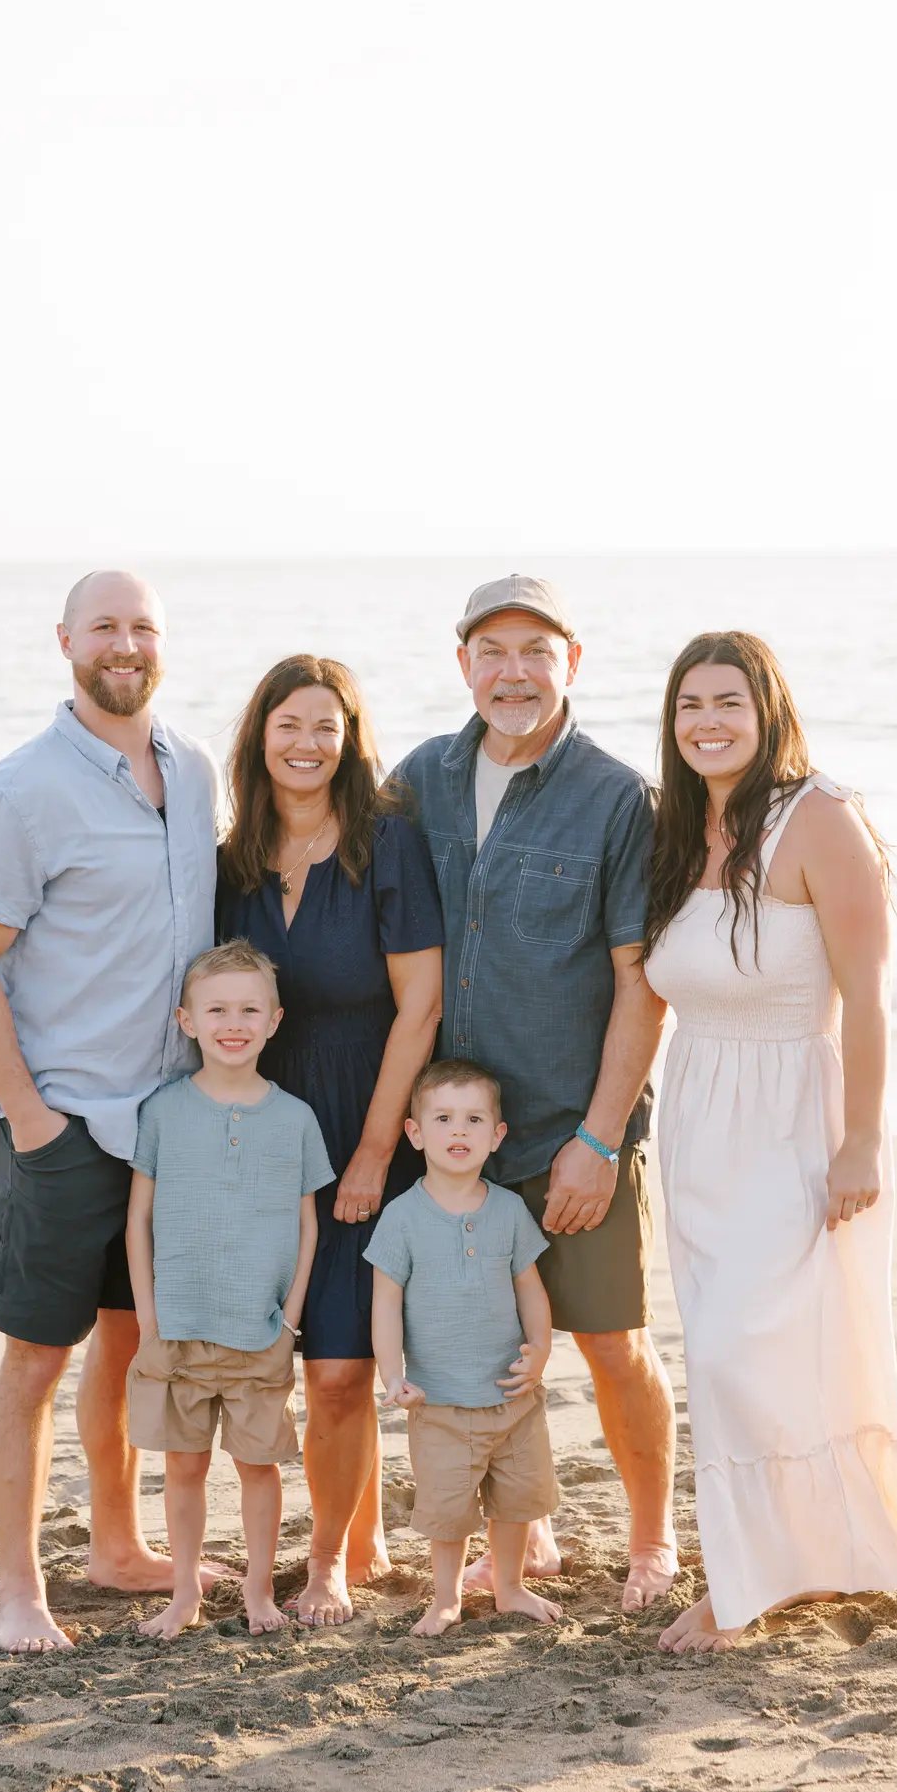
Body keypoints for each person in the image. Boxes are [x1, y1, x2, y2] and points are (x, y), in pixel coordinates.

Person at [641, 631, 897, 1653]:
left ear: (767, 710)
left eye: (727, 702)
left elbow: (867, 996)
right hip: (696, 1118)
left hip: (793, 1114)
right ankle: (781, 1560)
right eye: (688, 703)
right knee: (728, 1351)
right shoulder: (678, 830)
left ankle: (742, 1586)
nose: (706, 720)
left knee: (752, 1347)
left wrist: (862, 1140)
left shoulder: (819, 816)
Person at [0, 571, 219, 1654]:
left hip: (160, 1121)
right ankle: (18, 1587)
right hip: (55, 1119)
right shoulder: (19, 792)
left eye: (143, 624)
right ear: (64, 641)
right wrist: (30, 1117)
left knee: (129, 1336)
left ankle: (115, 1541)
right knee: (35, 1357)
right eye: (104, 624)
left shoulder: (191, 771)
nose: (125, 642)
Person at [394, 575, 679, 1611]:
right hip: (454, 1140)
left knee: (607, 1340)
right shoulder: (417, 778)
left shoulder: (614, 797)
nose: (512, 671)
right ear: (461, 661)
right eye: (491, 650)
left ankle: (652, 1539)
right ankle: (529, 1530)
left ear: (570, 661)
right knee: (479, 1346)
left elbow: (640, 985)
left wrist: (598, 1139)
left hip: (566, 1127)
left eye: (534, 650)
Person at [216, 655, 444, 1626]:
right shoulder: (233, 861)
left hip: (365, 1116)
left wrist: (373, 1148)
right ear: (258, 734)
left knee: (343, 1366)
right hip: (263, 1132)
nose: (306, 744)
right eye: (288, 724)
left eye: (326, 726)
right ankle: (353, 1523)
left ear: (349, 740)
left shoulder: (384, 845)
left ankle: (329, 1566)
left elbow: (420, 1002)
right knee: (277, 1358)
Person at [124, 940, 334, 1640]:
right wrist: (150, 1321)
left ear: (275, 1020)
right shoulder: (162, 1112)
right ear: (187, 1020)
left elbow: (308, 1228)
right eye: (217, 1009)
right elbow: (138, 1221)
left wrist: (290, 1320)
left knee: (257, 1466)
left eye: (249, 1009)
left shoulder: (295, 1118)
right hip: (178, 1326)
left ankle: (260, 1592)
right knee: (182, 1467)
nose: (233, 1023)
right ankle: (184, 1592)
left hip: (259, 1327)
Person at [368, 1060, 562, 1637]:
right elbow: (385, 1303)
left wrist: (541, 1351)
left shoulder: (507, 1210)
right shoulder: (402, 1217)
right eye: (444, 1118)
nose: (459, 1131)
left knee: (515, 1501)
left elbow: (530, 1287)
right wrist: (391, 1375)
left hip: (511, 1394)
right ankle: (446, 1598)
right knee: (448, 1510)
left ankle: (509, 1588)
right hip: (442, 1402)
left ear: (496, 1135)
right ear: (416, 1133)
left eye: (474, 1119)